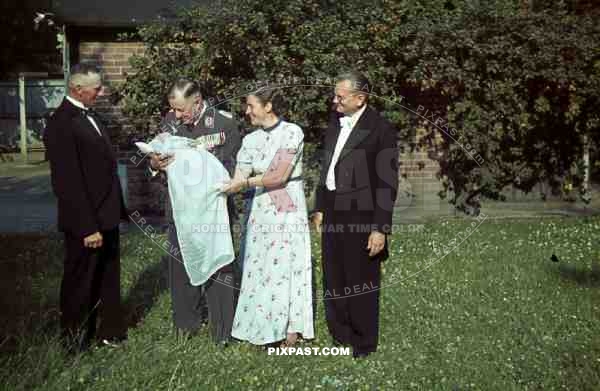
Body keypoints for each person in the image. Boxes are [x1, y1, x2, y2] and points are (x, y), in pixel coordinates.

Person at [312, 71, 399, 358]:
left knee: (361, 278)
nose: (334, 100)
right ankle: (341, 333)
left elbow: (388, 182)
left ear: (360, 98)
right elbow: (327, 166)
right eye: (335, 95)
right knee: (334, 274)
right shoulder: (335, 122)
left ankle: (364, 343)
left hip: (362, 214)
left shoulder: (381, 128)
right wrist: (321, 207)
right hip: (333, 210)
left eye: (340, 96)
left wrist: (380, 228)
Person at [149, 79, 241, 343]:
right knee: (180, 268)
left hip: (213, 213)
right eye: (173, 110)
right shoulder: (169, 122)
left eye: (181, 110)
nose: (176, 115)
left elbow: (230, 167)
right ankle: (185, 327)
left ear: (198, 102)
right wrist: (155, 163)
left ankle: (223, 332)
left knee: (219, 268)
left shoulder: (223, 124)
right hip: (180, 211)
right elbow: (157, 161)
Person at [43, 64, 128, 352]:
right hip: (86, 221)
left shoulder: (92, 116)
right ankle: (75, 342)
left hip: (106, 214)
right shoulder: (61, 123)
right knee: (80, 282)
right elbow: (67, 182)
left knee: (107, 276)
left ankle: (108, 332)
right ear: (77, 88)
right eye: (97, 88)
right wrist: (87, 227)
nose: (101, 92)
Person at [222, 87, 314, 347]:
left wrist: (245, 183)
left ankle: (290, 328)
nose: (247, 111)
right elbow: (238, 178)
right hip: (260, 208)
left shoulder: (292, 132)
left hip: (286, 205)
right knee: (258, 265)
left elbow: (278, 176)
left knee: (286, 264)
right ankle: (260, 325)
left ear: (269, 106)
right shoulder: (250, 141)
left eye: (251, 105)